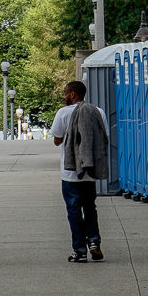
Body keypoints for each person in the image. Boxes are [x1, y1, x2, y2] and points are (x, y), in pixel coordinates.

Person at [51, 80, 108, 263]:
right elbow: (103, 136)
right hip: (89, 171)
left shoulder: (63, 112)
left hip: (70, 173)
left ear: (73, 94)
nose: (65, 96)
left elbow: (57, 140)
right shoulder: (98, 112)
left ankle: (80, 250)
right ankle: (94, 243)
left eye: (66, 93)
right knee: (90, 208)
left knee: (74, 211)